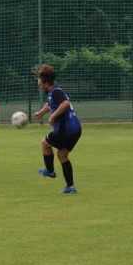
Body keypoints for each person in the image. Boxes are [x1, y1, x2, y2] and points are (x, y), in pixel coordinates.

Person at [32, 64, 82, 194]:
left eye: (41, 85)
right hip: (75, 129)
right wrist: (41, 113)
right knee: (62, 155)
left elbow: (65, 104)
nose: (40, 87)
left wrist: (52, 117)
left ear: (46, 83)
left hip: (65, 130)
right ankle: (70, 187)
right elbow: (51, 104)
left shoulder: (56, 92)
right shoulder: (54, 92)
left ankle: (50, 171)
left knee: (45, 143)